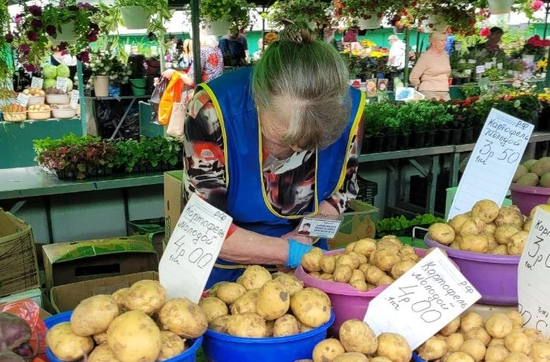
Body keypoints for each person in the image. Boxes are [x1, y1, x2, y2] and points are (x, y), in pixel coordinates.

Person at [183, 27, 365, 285]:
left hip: (306, 262)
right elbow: (205, 227)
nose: (295, 152)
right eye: (284, 139)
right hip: (225, 270)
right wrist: (290, 252)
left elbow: (341, 192)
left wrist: (304, 238)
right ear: (258, 102)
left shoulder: (348, 109)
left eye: (309, 143)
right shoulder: (211, 110)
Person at [409, 31, 451, 100]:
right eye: (442, 40)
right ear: (433, 42)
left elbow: (448, 73)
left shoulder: (445, 55)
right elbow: (413, 77)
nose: (444, 43)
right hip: (429, 91)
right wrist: (421, 86)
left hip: (445, 90)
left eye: (445, 40)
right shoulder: (425, 57)